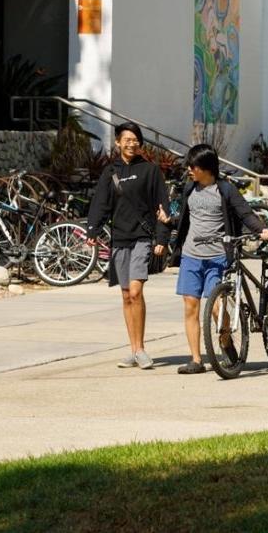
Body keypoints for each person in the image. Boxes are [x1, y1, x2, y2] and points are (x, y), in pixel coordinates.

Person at [167, 144, 268, 374]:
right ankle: (196, 360)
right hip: (191, 255)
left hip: (217, 256)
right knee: (190, 306)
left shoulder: (225, 190)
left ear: (206, 168)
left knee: (216, 307)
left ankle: (226, 343)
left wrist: (261, 229)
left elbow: (244, 212)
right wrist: (169, 221)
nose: (189, 170)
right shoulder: (189, 189)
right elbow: (186, 217)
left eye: (193, 166)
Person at [87, 122, 170, 370]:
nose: (131, 143)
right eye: (127, 139)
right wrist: (93, 228)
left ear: (140, 143)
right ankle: (133, 350)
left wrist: (162, 238)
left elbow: (162, 206)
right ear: (118, 143)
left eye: (135, 140)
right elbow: (101, 202)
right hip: (119, 238)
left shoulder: (150, 170)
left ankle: (141, 348)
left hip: (142, 238)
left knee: (135, 291)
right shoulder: (110, 172)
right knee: (125, 296)